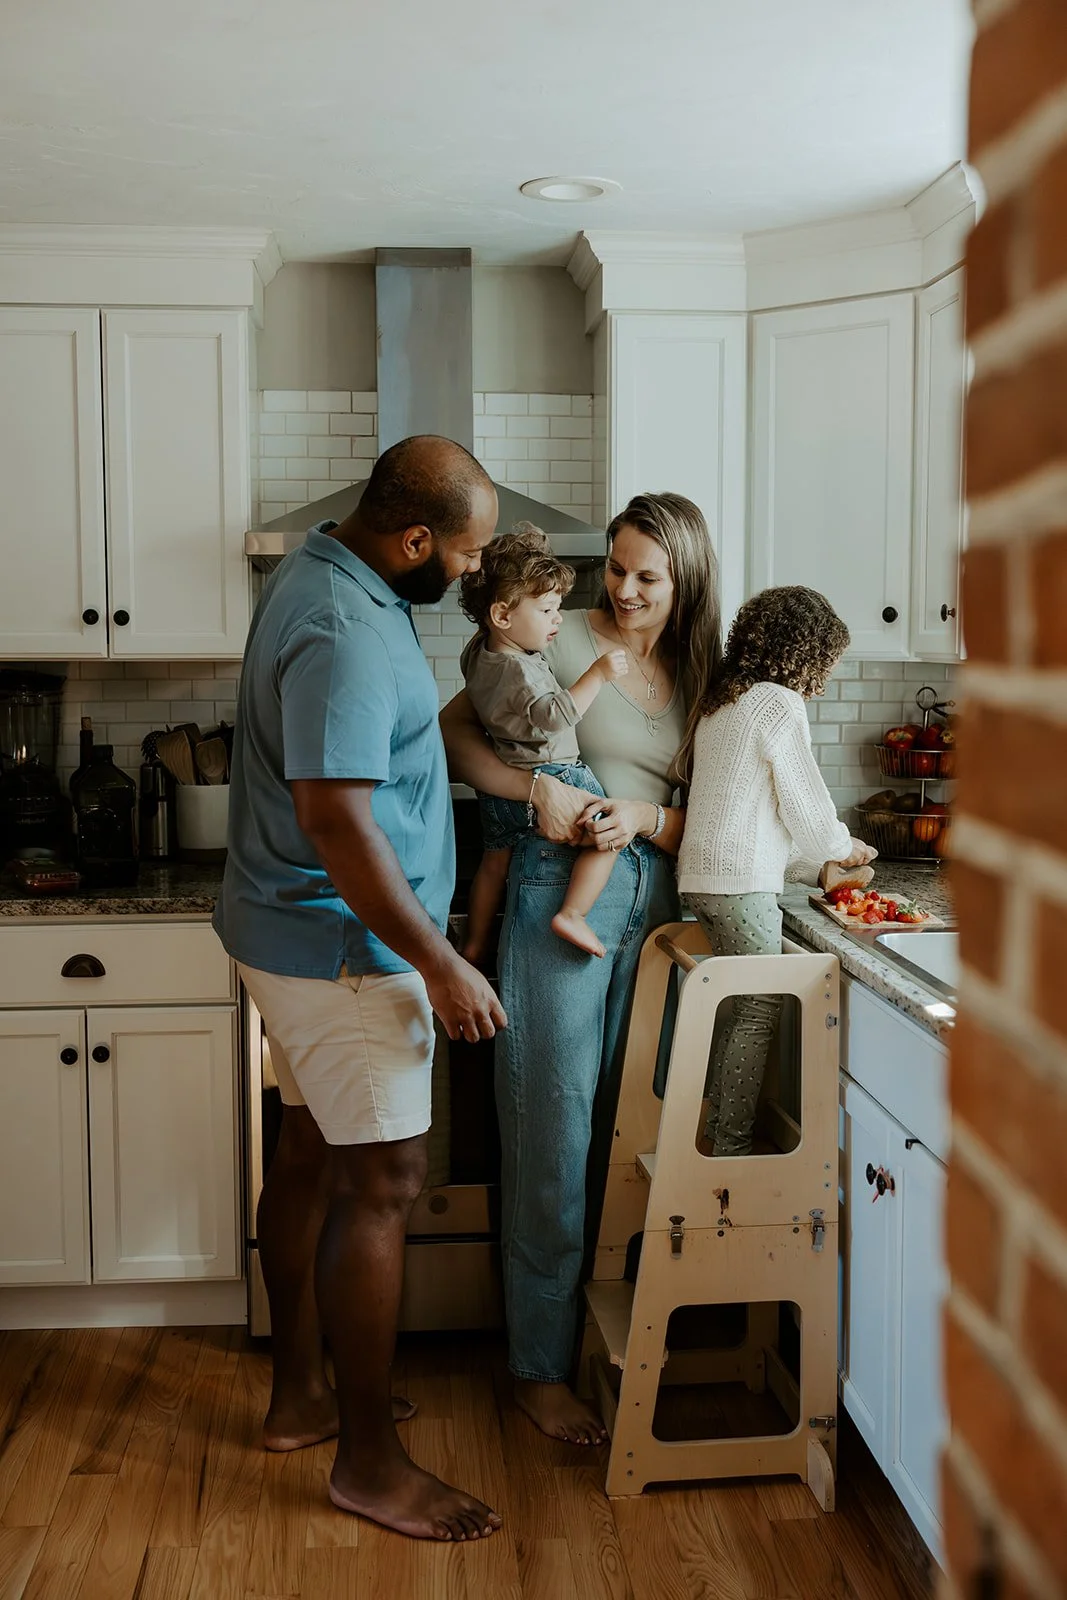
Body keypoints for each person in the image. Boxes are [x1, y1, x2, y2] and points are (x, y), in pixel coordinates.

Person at [213, 435, 507, 1542]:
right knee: (383, 1181)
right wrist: (439, 961)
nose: (474, 574)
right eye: (467, 556)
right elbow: (336, 819)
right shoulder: (342, 628)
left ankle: (301, 1395)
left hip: (287, 934)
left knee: (307, 1152)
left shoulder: (328, 571)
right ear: (415, 538)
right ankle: (369, 1467)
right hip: (345, 952)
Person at [442, 491, 719, 1446]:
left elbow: (715, 815)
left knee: (628, 1137)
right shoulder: (549, 639)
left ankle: (619, 1342)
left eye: (649, 575)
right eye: (617, 569)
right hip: (558, 893)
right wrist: (538, 790)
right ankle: (535, 1369)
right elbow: (453, 736)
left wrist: (648, 821)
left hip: (664, 908)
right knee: (552, 1133)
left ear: (684, 579)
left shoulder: (701, 674)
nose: (628, 590)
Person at [676, 585, 877, 1156]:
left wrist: (818, 871)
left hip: (707, 880)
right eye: (828, 661)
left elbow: (747, 823)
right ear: (806, 653)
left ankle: (714, 1133)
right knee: (758, 1009)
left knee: (742, 1006)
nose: (828, 675)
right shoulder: (778, 704)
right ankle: (730, 1148)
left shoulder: (725, 701)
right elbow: (805, 804)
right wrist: (842, 846)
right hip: (740, 888)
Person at [457, 523, 630, 963]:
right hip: (555, 773)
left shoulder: (479, 652)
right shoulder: (522, 670)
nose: (557, 620)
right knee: (610, 833)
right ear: (502, 616)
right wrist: (598, 673)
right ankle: (573, 913)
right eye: (549, 610)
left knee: (493, 864)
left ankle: (474, 944)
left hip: (500, 786)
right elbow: (556, 716)